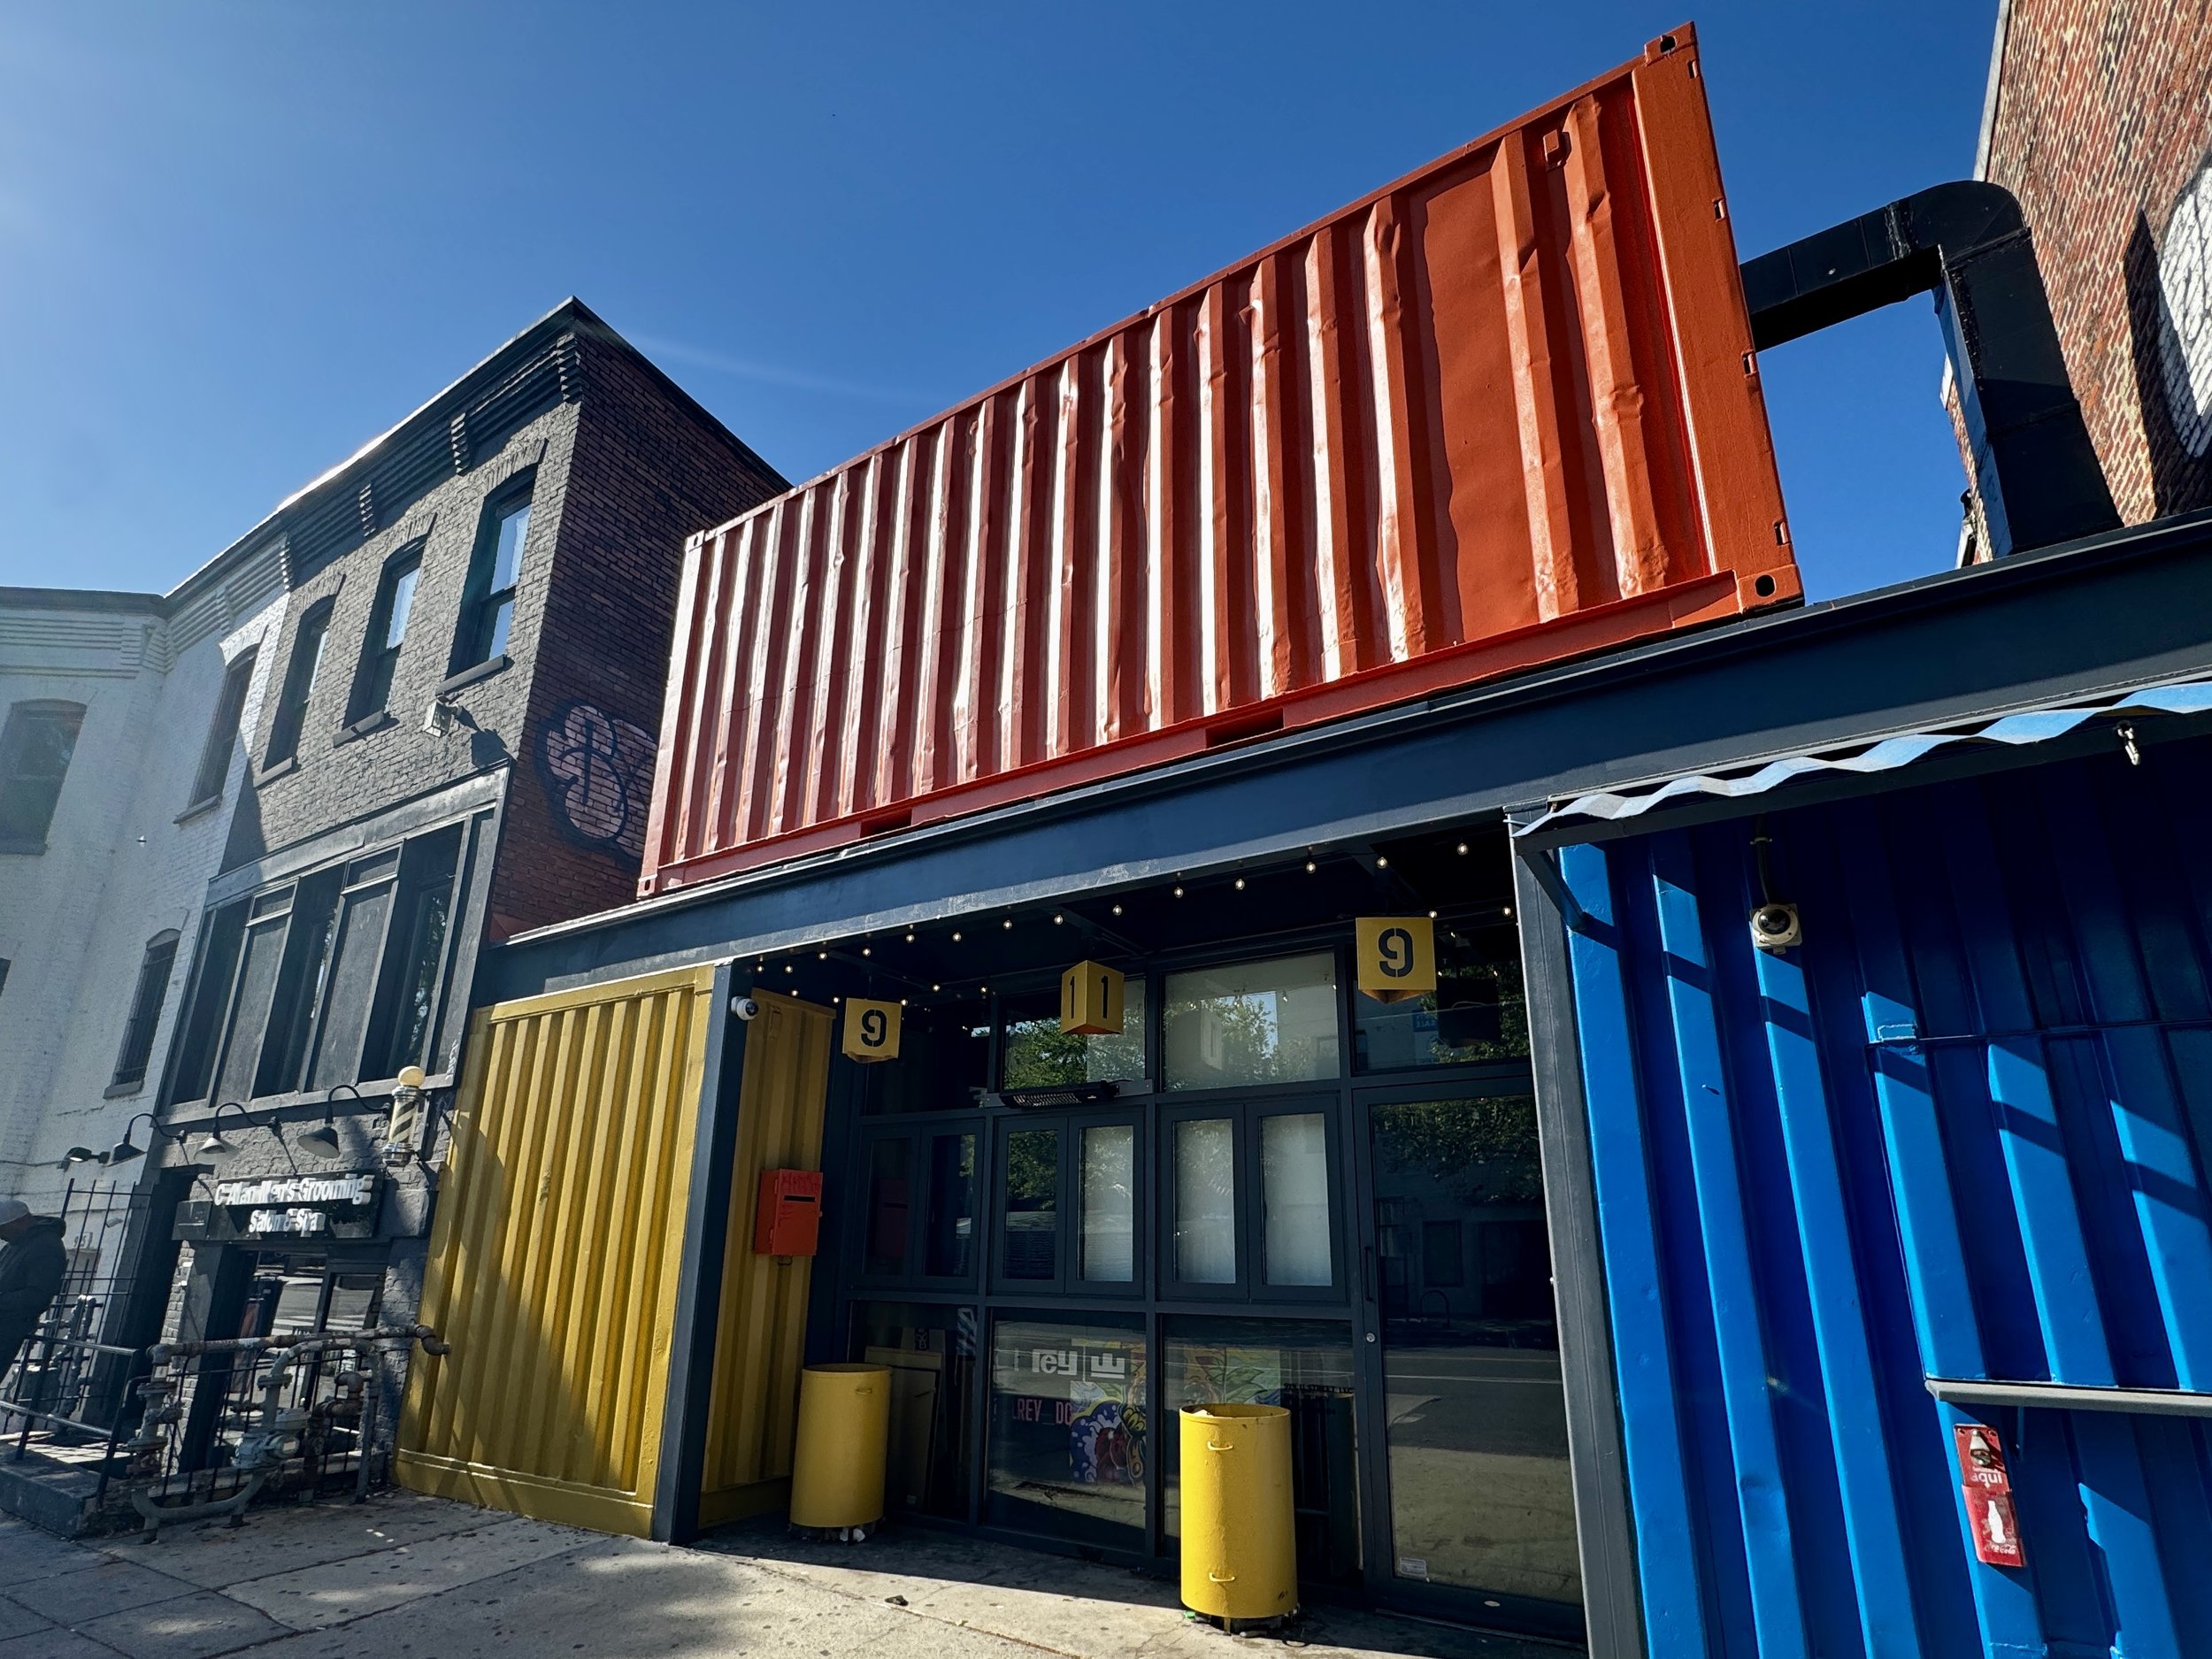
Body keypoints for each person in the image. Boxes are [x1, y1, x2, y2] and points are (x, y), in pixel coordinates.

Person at [0, 1200, 67, 1381]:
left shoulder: (46, 1246)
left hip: (7, 1329)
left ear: (18, 1222)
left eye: (1, 1228)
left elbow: (38, 1297)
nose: (0, 1235)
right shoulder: (16, 1243)